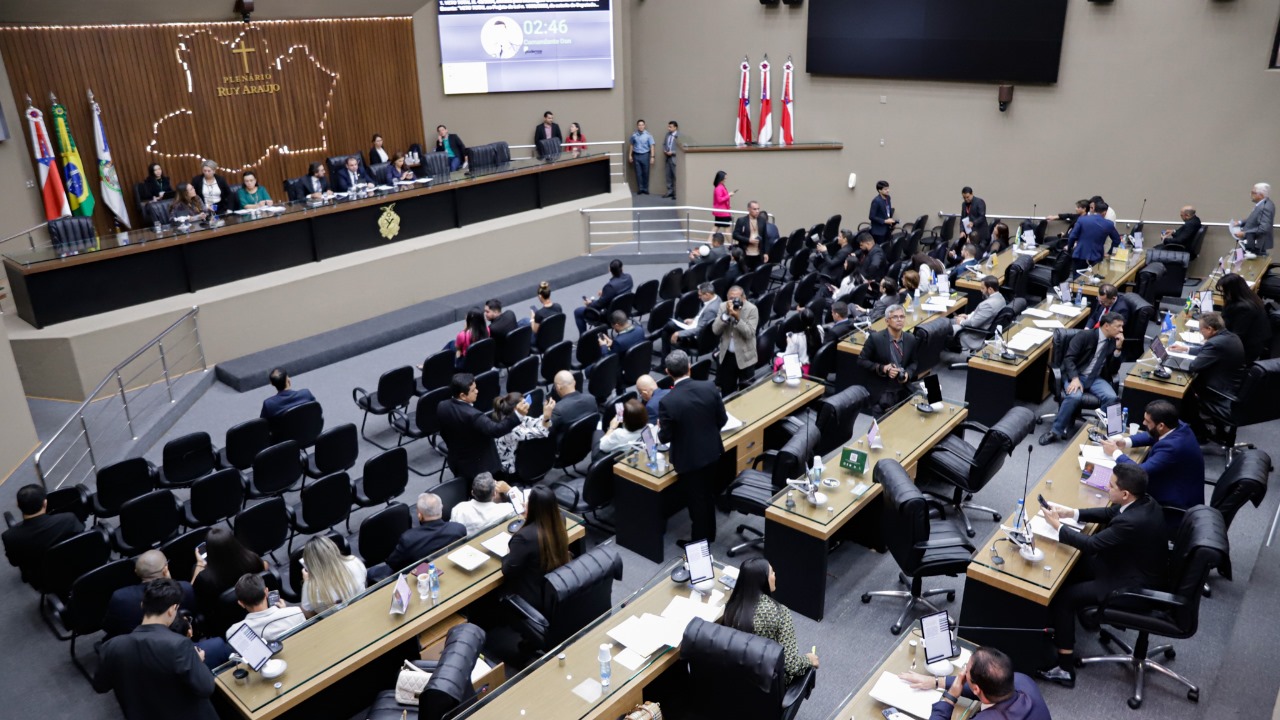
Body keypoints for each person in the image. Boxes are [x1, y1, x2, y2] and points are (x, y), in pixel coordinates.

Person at [1038, 463, 1168, 687]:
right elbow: (1110, 512)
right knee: (1072, 570)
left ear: (1125, 493)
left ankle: (1065, 668)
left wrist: (1059, 527)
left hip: (1129, 585)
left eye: (1111, 486)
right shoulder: (1144, 501)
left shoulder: (1132, 522)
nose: (1107, 488)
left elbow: (1092, 545)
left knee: (1064, 598)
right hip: (1128, 565)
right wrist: (1072, 513)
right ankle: (1070, 626)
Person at [92, 579, 218, 720]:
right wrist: (197, 661)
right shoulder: (179, 645)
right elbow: (206, 687)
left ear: (142, 605)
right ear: (172, 610)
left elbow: (100, 686)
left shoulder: (111, 647)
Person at [657, 350, 728, 543]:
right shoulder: (709, 387)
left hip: (689, 460)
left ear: (667, 372)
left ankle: (698, 543)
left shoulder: (667, 402)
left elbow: (665, 437)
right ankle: (709, 534)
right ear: (689, 367)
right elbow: (722, 420)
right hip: (713, 452)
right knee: (708, 495)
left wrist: (660, 429)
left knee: (696, 502)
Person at [719, 557, 818, 685]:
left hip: (736, 679)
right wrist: (809, 659)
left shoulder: (731, 607)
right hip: (768, 685)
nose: (775, 575)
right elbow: (791, 665)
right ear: (763, 580)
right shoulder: (780, 613)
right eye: (771, 572)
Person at [1101, 400, 1205, 511]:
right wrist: (1125, 442)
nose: (1143, 423)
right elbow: (1151, 434)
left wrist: (1115, 453)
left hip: (1174, 502)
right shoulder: (1177, 425)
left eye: (1147, 421)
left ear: (1161, 425)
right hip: (1174, 483)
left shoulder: (1172, 448)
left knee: (1119, 492)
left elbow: (1137, 473)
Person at [1039, 312, 1125, 445]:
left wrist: (1118, 350)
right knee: (1074, 396)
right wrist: (1074, 378)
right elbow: (1069, 359)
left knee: (1112, 398)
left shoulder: (1114, 342)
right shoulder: (1085, 336)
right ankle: (1055, 431)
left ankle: (1105, 432)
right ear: (1106, 326)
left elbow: (1113, 370)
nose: (1121, 330)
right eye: (1118, 326)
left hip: (1096, 378)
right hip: (1077, 375)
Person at [900, 646, 1050, 720]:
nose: (963, 672)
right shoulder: (1023, 681)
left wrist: (949, 698)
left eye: (966, 669)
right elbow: (984, 687)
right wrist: (936, 681)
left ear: (977, 689)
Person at [1169, 312, 1246, 441]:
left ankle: (1199, 431)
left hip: (1220, 393)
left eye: (1201, 330)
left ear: (1210, 329)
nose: (1200, 333)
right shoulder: (1230, 336)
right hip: (1233, 387)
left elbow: (1194, 366)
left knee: (1185, 392)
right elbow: (1209, 352)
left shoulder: (1215, 343)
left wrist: (1176, 363)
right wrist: (1185, 349)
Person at [438, 373, 525, 479]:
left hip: (457, 460)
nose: (477, 391)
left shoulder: (442, 406)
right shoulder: (474, 415)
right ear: (462, 395)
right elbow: (496, 430)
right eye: (473, 390)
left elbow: (443, 433)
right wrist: (517, 415)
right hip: (479, 467)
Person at [103, 550, 197, 638]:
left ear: (136, 572)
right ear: (165, 569)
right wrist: (169, 582)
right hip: (178, 639)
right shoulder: (185, 588)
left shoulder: (120, 597)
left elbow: (109, 628)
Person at [502, 486, 571, 605]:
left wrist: (509, 551)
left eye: (527, 502)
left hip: (533, 596)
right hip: (556, 583)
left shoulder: (524, 537)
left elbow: (508, 570)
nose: (524, 504)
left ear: (534, 508)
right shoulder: (560, 519)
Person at [3, 484, 84, 584]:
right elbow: (81, 535)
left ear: (18, 505)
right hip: (73, 566)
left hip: (43, 579)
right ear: (45, 503)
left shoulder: (10, 537)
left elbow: (15, 562)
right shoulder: (68, 519)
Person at [191, 527, 266, 619]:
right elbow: (264, 570)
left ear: (209, 550)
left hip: (223, 617)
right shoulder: (252, 558)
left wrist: (199, 565)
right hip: (254, 606)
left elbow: (193, 597)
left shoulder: (204, 578)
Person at [382, 493, 467, 573]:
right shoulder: (458, 529)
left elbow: (392, 563)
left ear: (419, 515)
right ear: (441, 508)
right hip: (450, 568)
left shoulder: (409, 538)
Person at [857, 304, 919, 412]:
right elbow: (861, 361)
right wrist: (882, 368)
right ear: (887, 321)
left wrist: (907, 374)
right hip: (883, 389)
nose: (899, 320)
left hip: (903, 387)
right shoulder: (875, 339)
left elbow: (914, 362)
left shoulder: (910, 339)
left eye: (902, 317)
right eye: (895, 317)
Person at [225, 573, 305, 642]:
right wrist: (285, 612)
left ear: (241, 603)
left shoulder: (234, 632)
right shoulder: (296, 612)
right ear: (266, 592)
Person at [299, 535, 366, 616]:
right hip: (364, 609)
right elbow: (364, 580)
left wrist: (306, 582)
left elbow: (307, 613)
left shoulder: (310, 587)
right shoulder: (354, 561)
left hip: (336, 624)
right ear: (333, 548)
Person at [712, 286, 759, 396]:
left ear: (744, 298)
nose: (734, 301)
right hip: (728, 356)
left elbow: (749, 333)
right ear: (727, 298)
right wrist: (726, 315)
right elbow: (715, 330)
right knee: (727, 391)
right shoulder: (723, 306)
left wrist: (738, 319)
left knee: (747, 392)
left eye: (736, 298)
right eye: (731, 298)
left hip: (746, 357)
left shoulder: (752, 309)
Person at [492, 391, 552, 474]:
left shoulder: (516, 416)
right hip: (506, 466)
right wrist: (546, 417)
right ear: (515, 409)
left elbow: (536, 422)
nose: (527, 405)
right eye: (524, 403)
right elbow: (541, 432)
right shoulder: (512, 430)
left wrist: (545, 418)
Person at [1216, 273, 1272, 361]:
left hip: (1247, 349)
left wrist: (1214, 340)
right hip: (1251, 342)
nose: (1223, 294)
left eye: (1224, 291)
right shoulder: (1250, 297)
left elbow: (1237, 335)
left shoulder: (1244, 308)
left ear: (1232, 291)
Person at [450, 472, 523, 535]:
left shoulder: (459, 509)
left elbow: (454, 532)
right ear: (494, 494)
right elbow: (524, 505)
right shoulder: (506, 509)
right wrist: (509, 489)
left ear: (472, 493)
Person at [574, 258, 634, 333]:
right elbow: (619, 292)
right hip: (625, 310)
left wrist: (589, 304)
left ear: (610, 270)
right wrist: (606, 293)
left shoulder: (610, 286)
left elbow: (599, 304)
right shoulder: (628, 277)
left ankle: (583, 338)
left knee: (578, 311)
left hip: (609, 316)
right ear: (622, 268)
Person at [953, 275, 1007, 353]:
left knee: (947, 327)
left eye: (983, 288)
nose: (981, 290)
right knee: (949, 321)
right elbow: (982, 315)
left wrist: (961, 322)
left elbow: (974, 323)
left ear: (990, 289)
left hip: (975, 334)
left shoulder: (988, 305)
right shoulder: (1001, 298)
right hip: (979, 324)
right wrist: (967, 316)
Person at [665, 281, 721, 356]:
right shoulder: (717, 298)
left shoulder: (711, 310)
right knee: (674, 323)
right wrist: (694, 320)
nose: (699, 297)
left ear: (707, 295)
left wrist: (678, 333)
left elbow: (698, 330)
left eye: (700, 295)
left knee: (668, 326)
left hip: (699, 338)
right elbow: (703, 315)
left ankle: (665, 361)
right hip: (699, 325)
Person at [1067, 200, 1121, 269]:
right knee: (1092, 277)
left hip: (1079, 254)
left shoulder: (1082, 220)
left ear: (1093, 209)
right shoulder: (1109, 224)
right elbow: (1117, 240)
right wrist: (1110, 253)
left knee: (1077, 278)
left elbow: (1072, 236)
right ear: (1105, 212)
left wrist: (1069, 248)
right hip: (1096, 256)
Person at [549, 370, 596, 446]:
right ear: (574, 382)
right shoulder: (591, 399)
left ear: (558, 387)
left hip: (564, 451)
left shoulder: (558, 409)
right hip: (586, 444)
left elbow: (546, 430)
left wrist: (546, 416)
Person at [732, 201, 777, 269]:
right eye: (754, 209)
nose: (757, 211)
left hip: (759, 254)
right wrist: (748, 240)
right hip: (745, 253)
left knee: (757, 275)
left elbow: (765, 238)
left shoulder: (762, 220)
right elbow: (735, 235)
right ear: (749, 209)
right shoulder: (742, 220)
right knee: (746, 275)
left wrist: (766, 253)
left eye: (758, 209)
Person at [778, 308, 822, 373]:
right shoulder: (820, 329)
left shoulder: (795, 338)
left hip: (802, 370)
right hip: (815, 365)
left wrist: (789, 342)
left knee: (778, 360)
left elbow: (789, 356)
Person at [1233, 182, 1274, 253]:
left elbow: (1263, 228)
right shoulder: (1263, 204)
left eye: (1253, 192)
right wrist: (1240, 222)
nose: (1250, 194)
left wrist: (1244, 233)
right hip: (1253, 242)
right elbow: (1254, 219)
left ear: (1260, 195)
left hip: (1257, 244)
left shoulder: (1265, 207)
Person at [628, 119, 656, 195]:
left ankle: (645, 189)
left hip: (645, 155)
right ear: (637, 126)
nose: (641, 126)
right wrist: (630, 155)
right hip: (636, 155)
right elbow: (631, 145)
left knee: (645, 172)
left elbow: (652, 146)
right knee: (638, 173)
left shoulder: (648, 135)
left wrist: (652, 157)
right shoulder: (634, 135)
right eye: (639, 125)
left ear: (644, 125)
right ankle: (640, 188)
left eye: (642, 125)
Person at [661, 120, 679, 198]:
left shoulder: (680, 136)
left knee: (676, 177)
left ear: (675, 127)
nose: (669, 128)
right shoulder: (667, 135)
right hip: (667, 158)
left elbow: (681, 148)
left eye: (670, 127)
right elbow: (664, 144)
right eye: (668, 126)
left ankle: (677, 193)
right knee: (668, 176)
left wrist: (673, 152)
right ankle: (670, 191)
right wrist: (664, 150)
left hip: (674, 159)